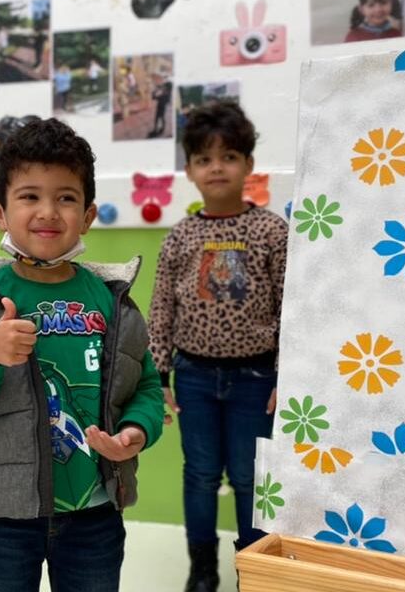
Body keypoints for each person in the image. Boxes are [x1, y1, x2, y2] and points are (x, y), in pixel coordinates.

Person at [0, 118, 165, 592]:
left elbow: (145, 386)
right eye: (30, 196)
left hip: (96, 513)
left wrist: (135, 432)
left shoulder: (112, 300)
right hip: (3, 514)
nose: (48, 211)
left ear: (87, 216)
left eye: (66, 197)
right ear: (0, 212)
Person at [149, 101, 286, 592]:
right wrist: (157, 377)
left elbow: (292, 309)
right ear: (189, 171)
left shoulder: (272, 231)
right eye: (204, 159)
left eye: (229, 156)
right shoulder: (180, 237)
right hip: (194, 378)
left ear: (248, 165)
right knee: (201, 474)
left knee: (251, 480)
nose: (217, 167)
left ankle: (254, 569)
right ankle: (202, 569)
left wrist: (288, 377)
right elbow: (162, 311)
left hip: (257, 380)